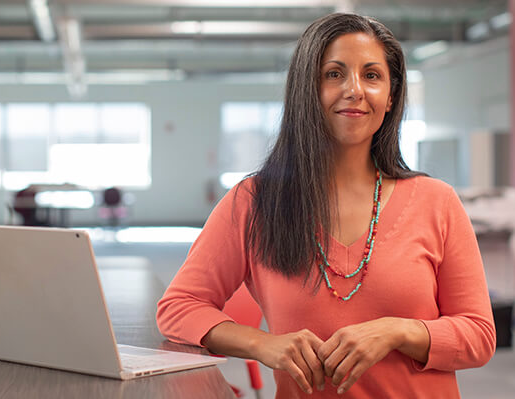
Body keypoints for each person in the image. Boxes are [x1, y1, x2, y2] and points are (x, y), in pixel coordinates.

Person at [156, 13, 495, 398]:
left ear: (391, 97)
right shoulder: (254, 202)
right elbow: (179, 307)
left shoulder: (437, 201)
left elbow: (480, 335)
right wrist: (262, 343)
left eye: (372, 76)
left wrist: (399, 330)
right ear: (307, 90)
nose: (355, 90)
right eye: (334, 74)